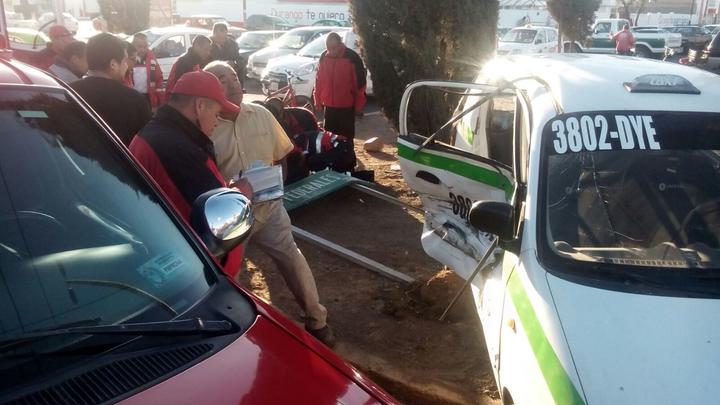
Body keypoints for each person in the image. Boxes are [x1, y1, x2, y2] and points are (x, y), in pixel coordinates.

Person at [205, 61, 334, 347]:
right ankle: (232, 338)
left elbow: (283, 155)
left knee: (292, 259)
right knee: (230, 276)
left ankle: (317, 321)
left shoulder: (262, 114)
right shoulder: (205, 128)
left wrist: (278, 192)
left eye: (234, 77)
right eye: (222, 78)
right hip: (230, 220)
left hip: (269, 210)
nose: (233, 83)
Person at [128, 70, 248, 278]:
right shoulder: (177, 148)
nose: (217, 121)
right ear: (200, 106)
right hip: (204, 274)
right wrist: (242, 193)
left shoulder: (157, 133)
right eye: (217, 114)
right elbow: (213, 220)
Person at [71, 33, 151, 146]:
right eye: (124, 61)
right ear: (113, 64)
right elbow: (145, 144)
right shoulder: (135, 100)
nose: (126, 66)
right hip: (121, 162)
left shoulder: (69, 92)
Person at [313, 32, 366, 163]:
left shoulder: (352, 58)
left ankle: (348, 165)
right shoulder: (323, 57)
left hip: (346, 107)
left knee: (346, 139)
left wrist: (358, 107)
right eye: (329, 48)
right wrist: (317, 99)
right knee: (329, 139)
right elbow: (319, 80)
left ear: (340, 44)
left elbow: (360, 85)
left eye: (334, 48)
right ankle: (331, 164)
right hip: (329, 107)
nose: (331, 51)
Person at [131, 32, 165, 109]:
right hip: (132, 97)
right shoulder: (128, 60)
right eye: (139, 46)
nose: (143, 49)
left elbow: (159, 78)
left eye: (145, 46)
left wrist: (159, 101)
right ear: (133, 45)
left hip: (149, 97)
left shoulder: (152, 58)